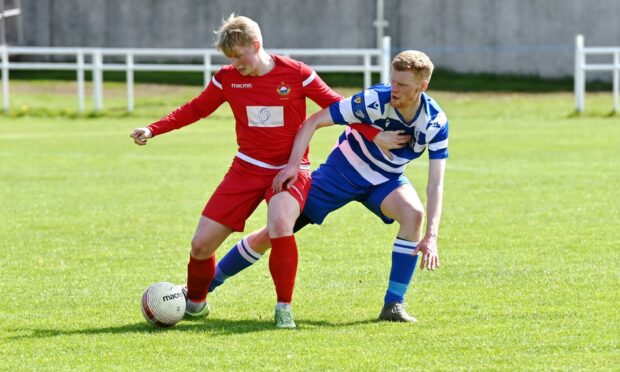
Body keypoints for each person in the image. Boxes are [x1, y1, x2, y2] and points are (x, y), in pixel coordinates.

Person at [129, 14, 351, 328]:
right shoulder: (226, 78)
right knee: (201, 245)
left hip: (289, 170)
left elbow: (338, 106)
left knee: (280, 223)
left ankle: (283, 308)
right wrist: (153, 129)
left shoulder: (297, 74)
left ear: (255, 45)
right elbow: (195, 109)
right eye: (230, 59)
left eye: (239, 57)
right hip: (246, 169)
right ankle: (195, 304)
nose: (236, 64)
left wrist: (376, 132)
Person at [208, 50, 447, 323]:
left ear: (422, 86)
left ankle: (393, 305)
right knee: (274, 232)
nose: (394, 88)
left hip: (385, 180)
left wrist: (432, 236)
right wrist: (293, 166)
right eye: (392, 81)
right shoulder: (372, 101)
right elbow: (313, 121)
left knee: (414, 215)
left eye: (402, 85)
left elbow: (436, 182)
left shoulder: (435, 123)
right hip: (339, 175)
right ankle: (205, 286)